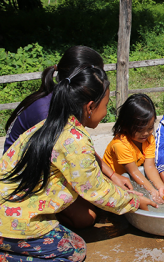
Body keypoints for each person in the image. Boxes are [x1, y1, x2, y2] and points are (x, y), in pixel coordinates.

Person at [0, 65, 156, 262]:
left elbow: (91, 175)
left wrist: (119, 187)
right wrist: (133, 202)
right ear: (90, 107)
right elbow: (95, 190)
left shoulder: (52, 125)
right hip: (14, 224)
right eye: (106, 105)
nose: (106, 111)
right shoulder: (75, 140)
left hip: (8, 207)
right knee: (74, 251)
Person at [3, 46, 134, 228]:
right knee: (86, 217)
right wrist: (132, 201)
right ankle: (42, 221)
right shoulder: (51, 116)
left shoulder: (64, 107)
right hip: (26, 177)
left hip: (46, 165)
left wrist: (111, 175)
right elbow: (82, 169)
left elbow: (78, 155)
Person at [103, 94, 164, 204]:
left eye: (149, 128)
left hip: (129, 177)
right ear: (126, 125)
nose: (145, 133)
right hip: (111, 181)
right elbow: (134, 171)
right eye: (140, 130)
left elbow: (149, 166)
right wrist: (152, 191)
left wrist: (161, 187)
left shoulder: (149, 139)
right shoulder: (120, 144)